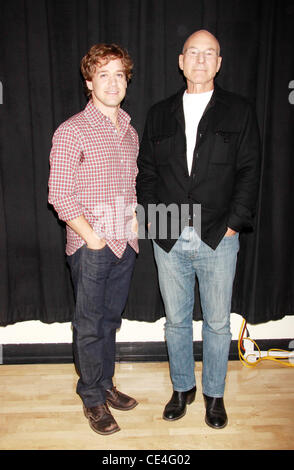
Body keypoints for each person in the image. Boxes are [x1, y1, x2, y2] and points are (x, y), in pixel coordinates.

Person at [136, 30, 260, 429]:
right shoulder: (158, 113)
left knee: (219, 322)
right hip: (169, 233)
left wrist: (234, 225)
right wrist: (153, 219)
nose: (201, 60)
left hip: (217, 234)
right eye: (194, 52)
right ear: (180, 60)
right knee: (175, 320)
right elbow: (147, 173)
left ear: (219, 63)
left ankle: (214, 395)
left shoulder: (239, 111)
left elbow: (249, 171)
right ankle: (182, 388)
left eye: (210, 54)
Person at [48, 43, 139, 435]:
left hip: (125, 244)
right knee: (88, 324)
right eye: (103, 74)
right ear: (89, 82)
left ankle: (104, 383)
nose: (112, 82)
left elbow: (134, 187)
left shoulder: (131, 132)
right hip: (91, 247)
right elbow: (59, 194)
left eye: (119, 74)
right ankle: (91, 398)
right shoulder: (72, 131)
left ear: (127, 80)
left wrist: (136, 223)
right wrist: (93, 239)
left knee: (109, 321)